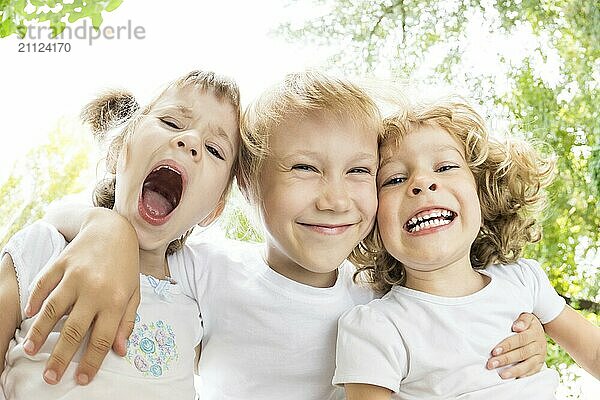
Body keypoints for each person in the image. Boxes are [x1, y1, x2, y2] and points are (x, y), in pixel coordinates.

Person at [17, 72, 547, 399]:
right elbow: (119, 231)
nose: (334, 198)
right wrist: (103, 224)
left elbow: (456, 320)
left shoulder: (380, 292)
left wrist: (524, 337)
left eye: (360, 172)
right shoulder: (212, 270)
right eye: (304, 168)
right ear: (246, 185)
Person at [332, 94, 600, 399]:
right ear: (374, 222)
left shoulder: (524, 279)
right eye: (394, 179)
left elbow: (593, 351)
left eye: (445, 167)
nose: (421, 182)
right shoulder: (375, 326)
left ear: (483, 193)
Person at [0, 70, 241, 399]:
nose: (191, 142)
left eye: (214, 149)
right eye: (171, 123)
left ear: (213, 210)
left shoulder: (198, 292)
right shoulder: (44, 247)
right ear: (118, 152)